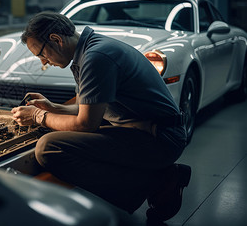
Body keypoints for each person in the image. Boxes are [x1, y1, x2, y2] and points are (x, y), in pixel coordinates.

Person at [11, 11, 191, 222]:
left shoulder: (96, 57)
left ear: (56, 40)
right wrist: (53, 108)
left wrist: (38, 116)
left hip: (161, 138)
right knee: (59, 134)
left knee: (49, 147)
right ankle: (151, 179)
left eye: (41, 55)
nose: (44, 62)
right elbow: (86, 108)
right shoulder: (86, 52)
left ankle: (156, 181)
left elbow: (86, 123)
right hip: (142, 131)